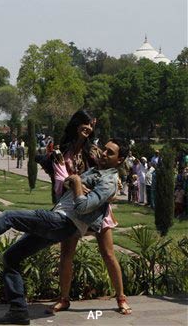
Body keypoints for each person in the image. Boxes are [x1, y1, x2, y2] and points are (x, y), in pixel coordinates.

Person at [0, 138, 129, 325]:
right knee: (11, 257)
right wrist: (73, 182)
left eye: (110, 152)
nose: (104, 153)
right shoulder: (96, 171)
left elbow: (82, 207)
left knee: (9, 217)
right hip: (59, 220)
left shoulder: (108, 181)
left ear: (119, 160)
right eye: (105, 149)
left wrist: (77, 181)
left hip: (64, 222)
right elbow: (69, 186)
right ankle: (18, 311)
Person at [47, 111, 131, 316]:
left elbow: (109, 177)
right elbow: (59, 177)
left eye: (91, 127)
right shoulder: (62, 151)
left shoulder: (93, 151)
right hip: (72, 205)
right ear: (76, 126)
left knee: (108, 254)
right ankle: (64, 298)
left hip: (96, 207)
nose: (89, 130)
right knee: (67, 253)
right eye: (85, 126)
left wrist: (113, 186)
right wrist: (71, 184)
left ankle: (121, 298)